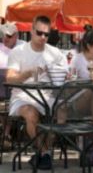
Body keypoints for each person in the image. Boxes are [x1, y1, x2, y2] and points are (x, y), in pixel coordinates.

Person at [6, 15, 68, 170]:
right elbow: (10, 79)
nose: (43, 37)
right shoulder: (18, 52)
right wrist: (26, 74)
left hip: (48, 95)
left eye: (46, 34)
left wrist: (64, 75)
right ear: (31, 30)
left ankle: (41, 152)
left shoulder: (55, 53)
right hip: (23, 96)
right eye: (39, 33)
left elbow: (64, 76)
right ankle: (45, 153)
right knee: (31, 113)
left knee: (63, 111)